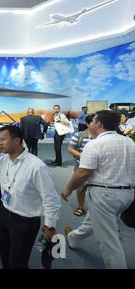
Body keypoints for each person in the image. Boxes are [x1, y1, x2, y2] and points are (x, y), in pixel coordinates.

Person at [62, 110, 135, 269]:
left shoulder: (94, 144)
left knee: (109, 243)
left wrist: (67, 189)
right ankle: (74, 238)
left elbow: (83, 172)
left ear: (99, 124)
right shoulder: (129, 142)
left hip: (104, 195)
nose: (91, 123)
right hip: (127, 195)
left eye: (93, 120)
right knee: (94, 220)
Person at [0, 125, 61, 269]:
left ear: (17, 140)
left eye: (3, 139)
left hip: (24, 221)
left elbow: (51, 198)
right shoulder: (2, 160)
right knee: (5, 255)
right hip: (4, 213)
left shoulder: (36, 166)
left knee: (18, 261)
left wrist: (50, 225)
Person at [67, 114, 94, 217]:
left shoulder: (101, 137)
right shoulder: (79, 135)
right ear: (87, 124)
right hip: (81, 166)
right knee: (80, 187)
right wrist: (83, 156)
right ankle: (81, 206)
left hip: (99, 168)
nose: (97, 125)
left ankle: (95, 209)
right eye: (93, 123)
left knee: (96, 189)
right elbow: (70, 149)